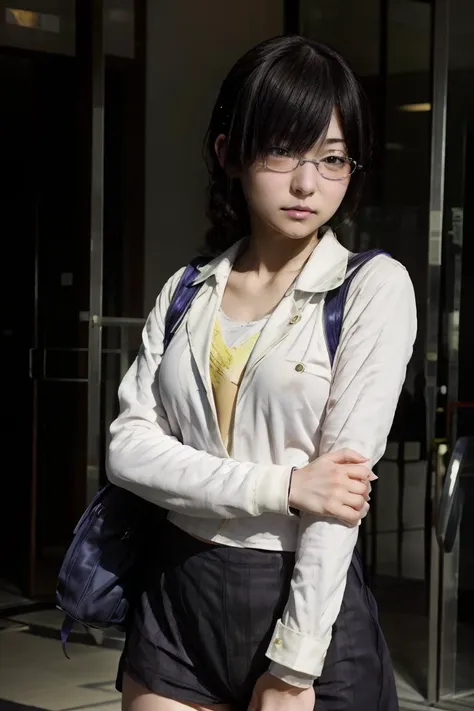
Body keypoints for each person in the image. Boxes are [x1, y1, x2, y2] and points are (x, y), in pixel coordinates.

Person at [107, 35, 416, 711]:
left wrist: (296, 666)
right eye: (283, 150)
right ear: (229, 154)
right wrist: (286, 484)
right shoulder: (187, 290)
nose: (308, 184)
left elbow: (338, 507)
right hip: (178, 594)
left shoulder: (370, 288)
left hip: (304, 602)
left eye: (332, 158)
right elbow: (127, 451)